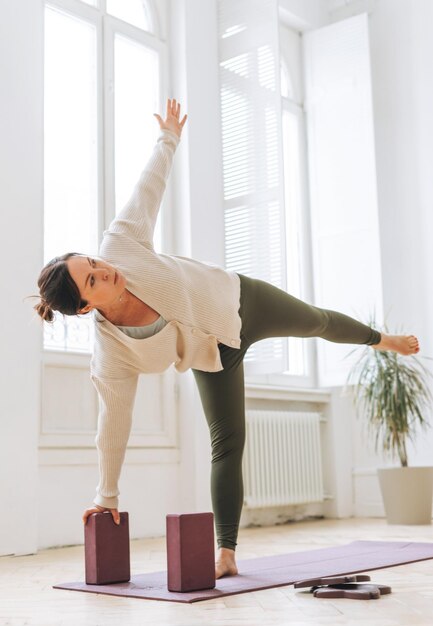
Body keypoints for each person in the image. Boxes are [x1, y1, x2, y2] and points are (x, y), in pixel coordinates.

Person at [34, 98, 420, 579]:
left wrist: (168, 137)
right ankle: (228, 553)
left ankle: (381, 340)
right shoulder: (111, 354)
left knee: (317, 321)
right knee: (227, 443)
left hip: (241, 301)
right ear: (88, 307)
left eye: (93, 263)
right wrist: (105, 496)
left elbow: (147, 190)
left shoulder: (121, 244)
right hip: (215, 355)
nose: (104, 270)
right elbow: (113, 424)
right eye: (92, 281)